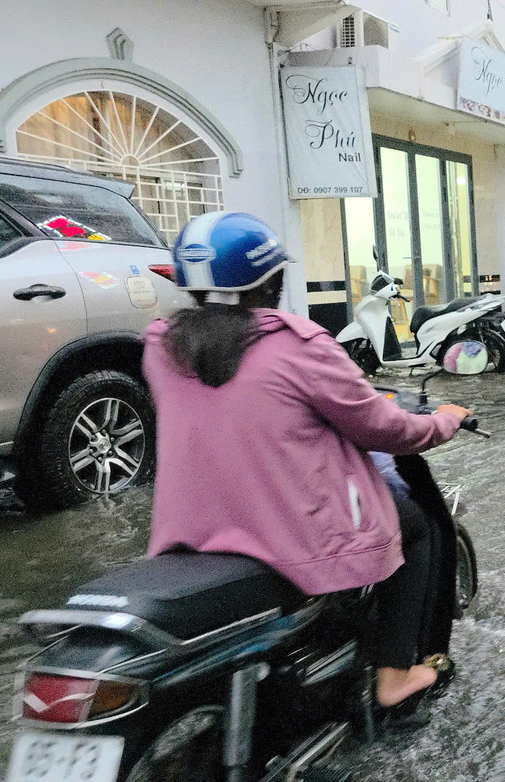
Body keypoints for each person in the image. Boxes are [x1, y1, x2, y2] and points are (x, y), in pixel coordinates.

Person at [143, 212, 469, 708]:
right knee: (415, 525)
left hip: (190, 532)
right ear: (272, 282)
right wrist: (444, 419)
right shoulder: (299, 347)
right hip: (287, 533)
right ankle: (395, 676)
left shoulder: (159, 348)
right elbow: (385, 430)